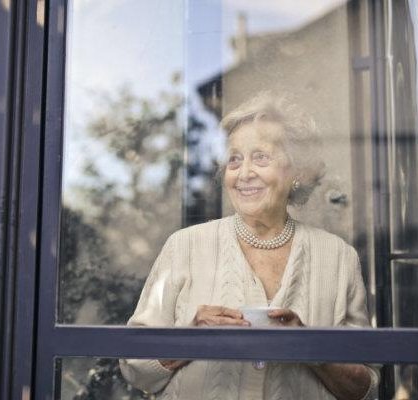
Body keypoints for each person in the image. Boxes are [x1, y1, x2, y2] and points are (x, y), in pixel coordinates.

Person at [119, 93, 379, 400]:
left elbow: (365, 388)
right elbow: (134, 365)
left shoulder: (338, 258)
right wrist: (191, 337)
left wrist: (308, 346)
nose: (244, 174)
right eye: (234, 159)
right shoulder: (184, 247)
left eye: (261, 158)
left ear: (296, 171)